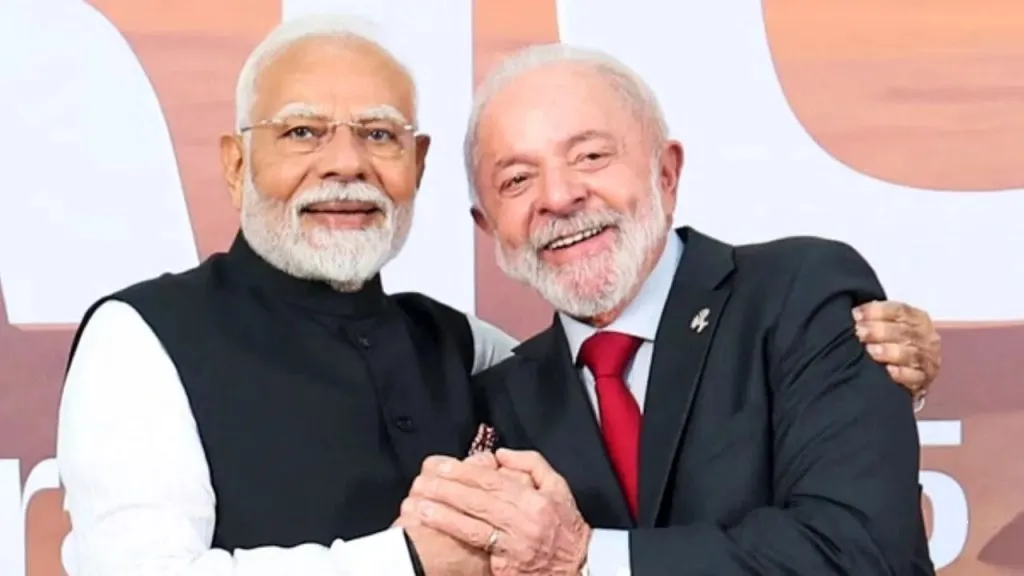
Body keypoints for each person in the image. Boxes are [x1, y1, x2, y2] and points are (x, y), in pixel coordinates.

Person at [56, 18, 939, 576]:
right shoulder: (142, 338)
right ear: (236, 163)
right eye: (302, 132)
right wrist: (403, 561)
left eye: (379, 135)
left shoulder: (475, 356)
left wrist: (858, 372)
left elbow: (857, 539)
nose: (345, 163)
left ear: (416, 167)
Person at [396, 44, 936, 575]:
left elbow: (859, 554)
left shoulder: (802, 295)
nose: (558, 197)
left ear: (666, 173)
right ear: (488, 227)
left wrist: (588, 559)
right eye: (517, 179)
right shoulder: (495, 407)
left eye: (590, 156)